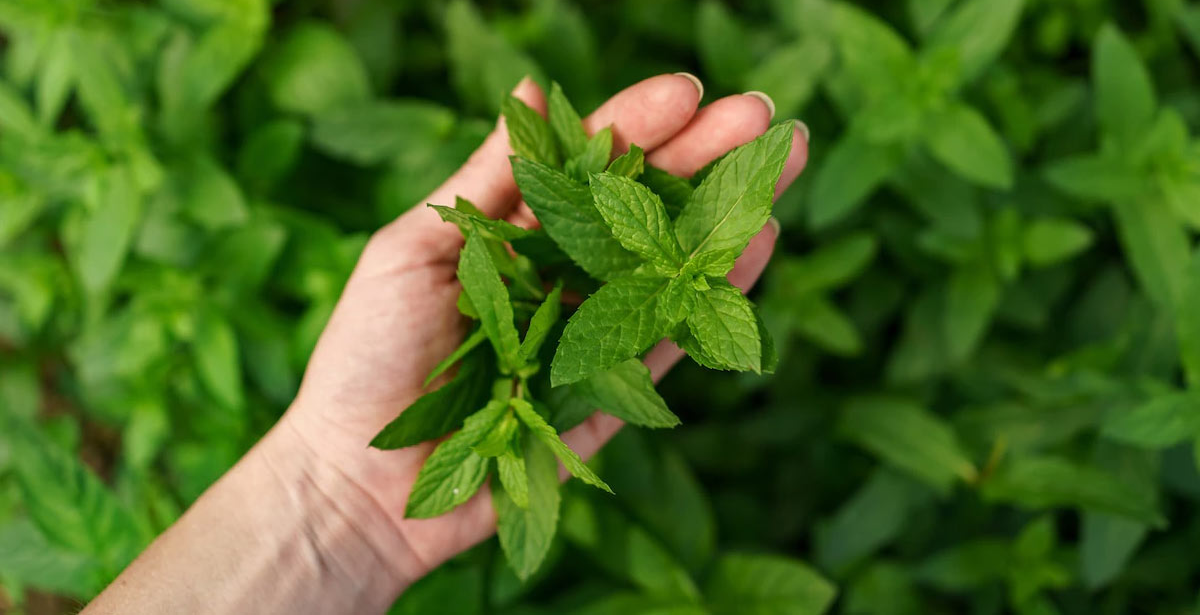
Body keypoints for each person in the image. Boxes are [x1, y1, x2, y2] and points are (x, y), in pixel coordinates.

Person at [82, 74, 809, 614]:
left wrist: (323, 497)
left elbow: (594, 317)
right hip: (565, 320)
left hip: (625, 278)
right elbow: (582, 330)